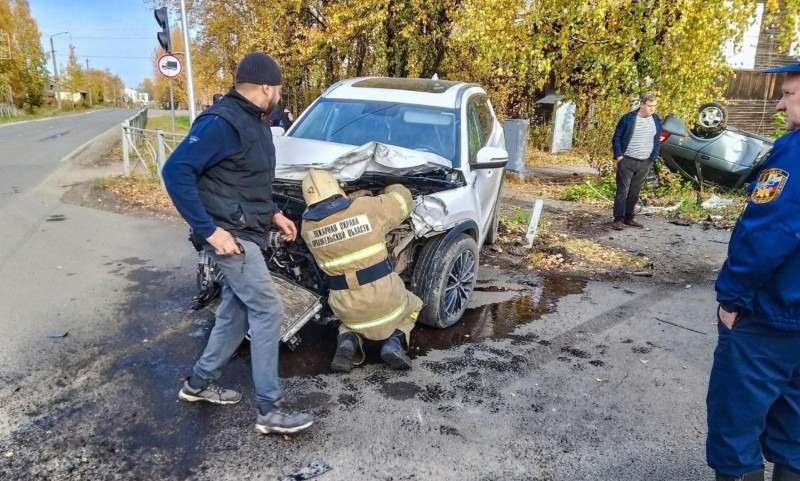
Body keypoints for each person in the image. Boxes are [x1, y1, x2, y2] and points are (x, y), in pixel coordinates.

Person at [162, 52, 314, 435]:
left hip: (247, 230)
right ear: (266, 86)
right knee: (268, 310)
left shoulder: (254, 123)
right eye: (277, 87)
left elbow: (248, 183)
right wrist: (211, 231)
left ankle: (197, 384)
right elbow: (176, 170)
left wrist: (276, 213)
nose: (279, 93)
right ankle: (270, 409)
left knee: (237, 313)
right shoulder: (222, 123)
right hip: (231, 237)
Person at [706, 60, 800, 481]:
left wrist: (732, 296)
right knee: (795, 433)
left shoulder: (794, 153)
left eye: (788, 93)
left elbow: (770, 232)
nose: (780, 106)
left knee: (734, 432)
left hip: (771, 319)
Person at [299, 169, 422, 372]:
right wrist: (390, 184)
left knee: (350, 323)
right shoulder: (367, 209)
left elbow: (326, 215)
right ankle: (394, 342)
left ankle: (348, 340)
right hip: (385, 298)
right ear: (338, 188)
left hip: (344, 305)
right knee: (414, 306)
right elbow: (403, 200)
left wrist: (352, 198)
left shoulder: (307, 227)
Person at [610, 93, 662, 230]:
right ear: (642, 104)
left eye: (654, 106)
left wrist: (653, 157)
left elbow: (657, 139)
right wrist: (619, 156)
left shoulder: (656, 119)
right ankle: (618, 219)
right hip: (627, 160)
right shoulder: (628, 118)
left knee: (635, 191)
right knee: (623, 190)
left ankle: (629, 217)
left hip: (645, 161)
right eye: (650, 106)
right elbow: (617, 137)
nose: (652, 109)